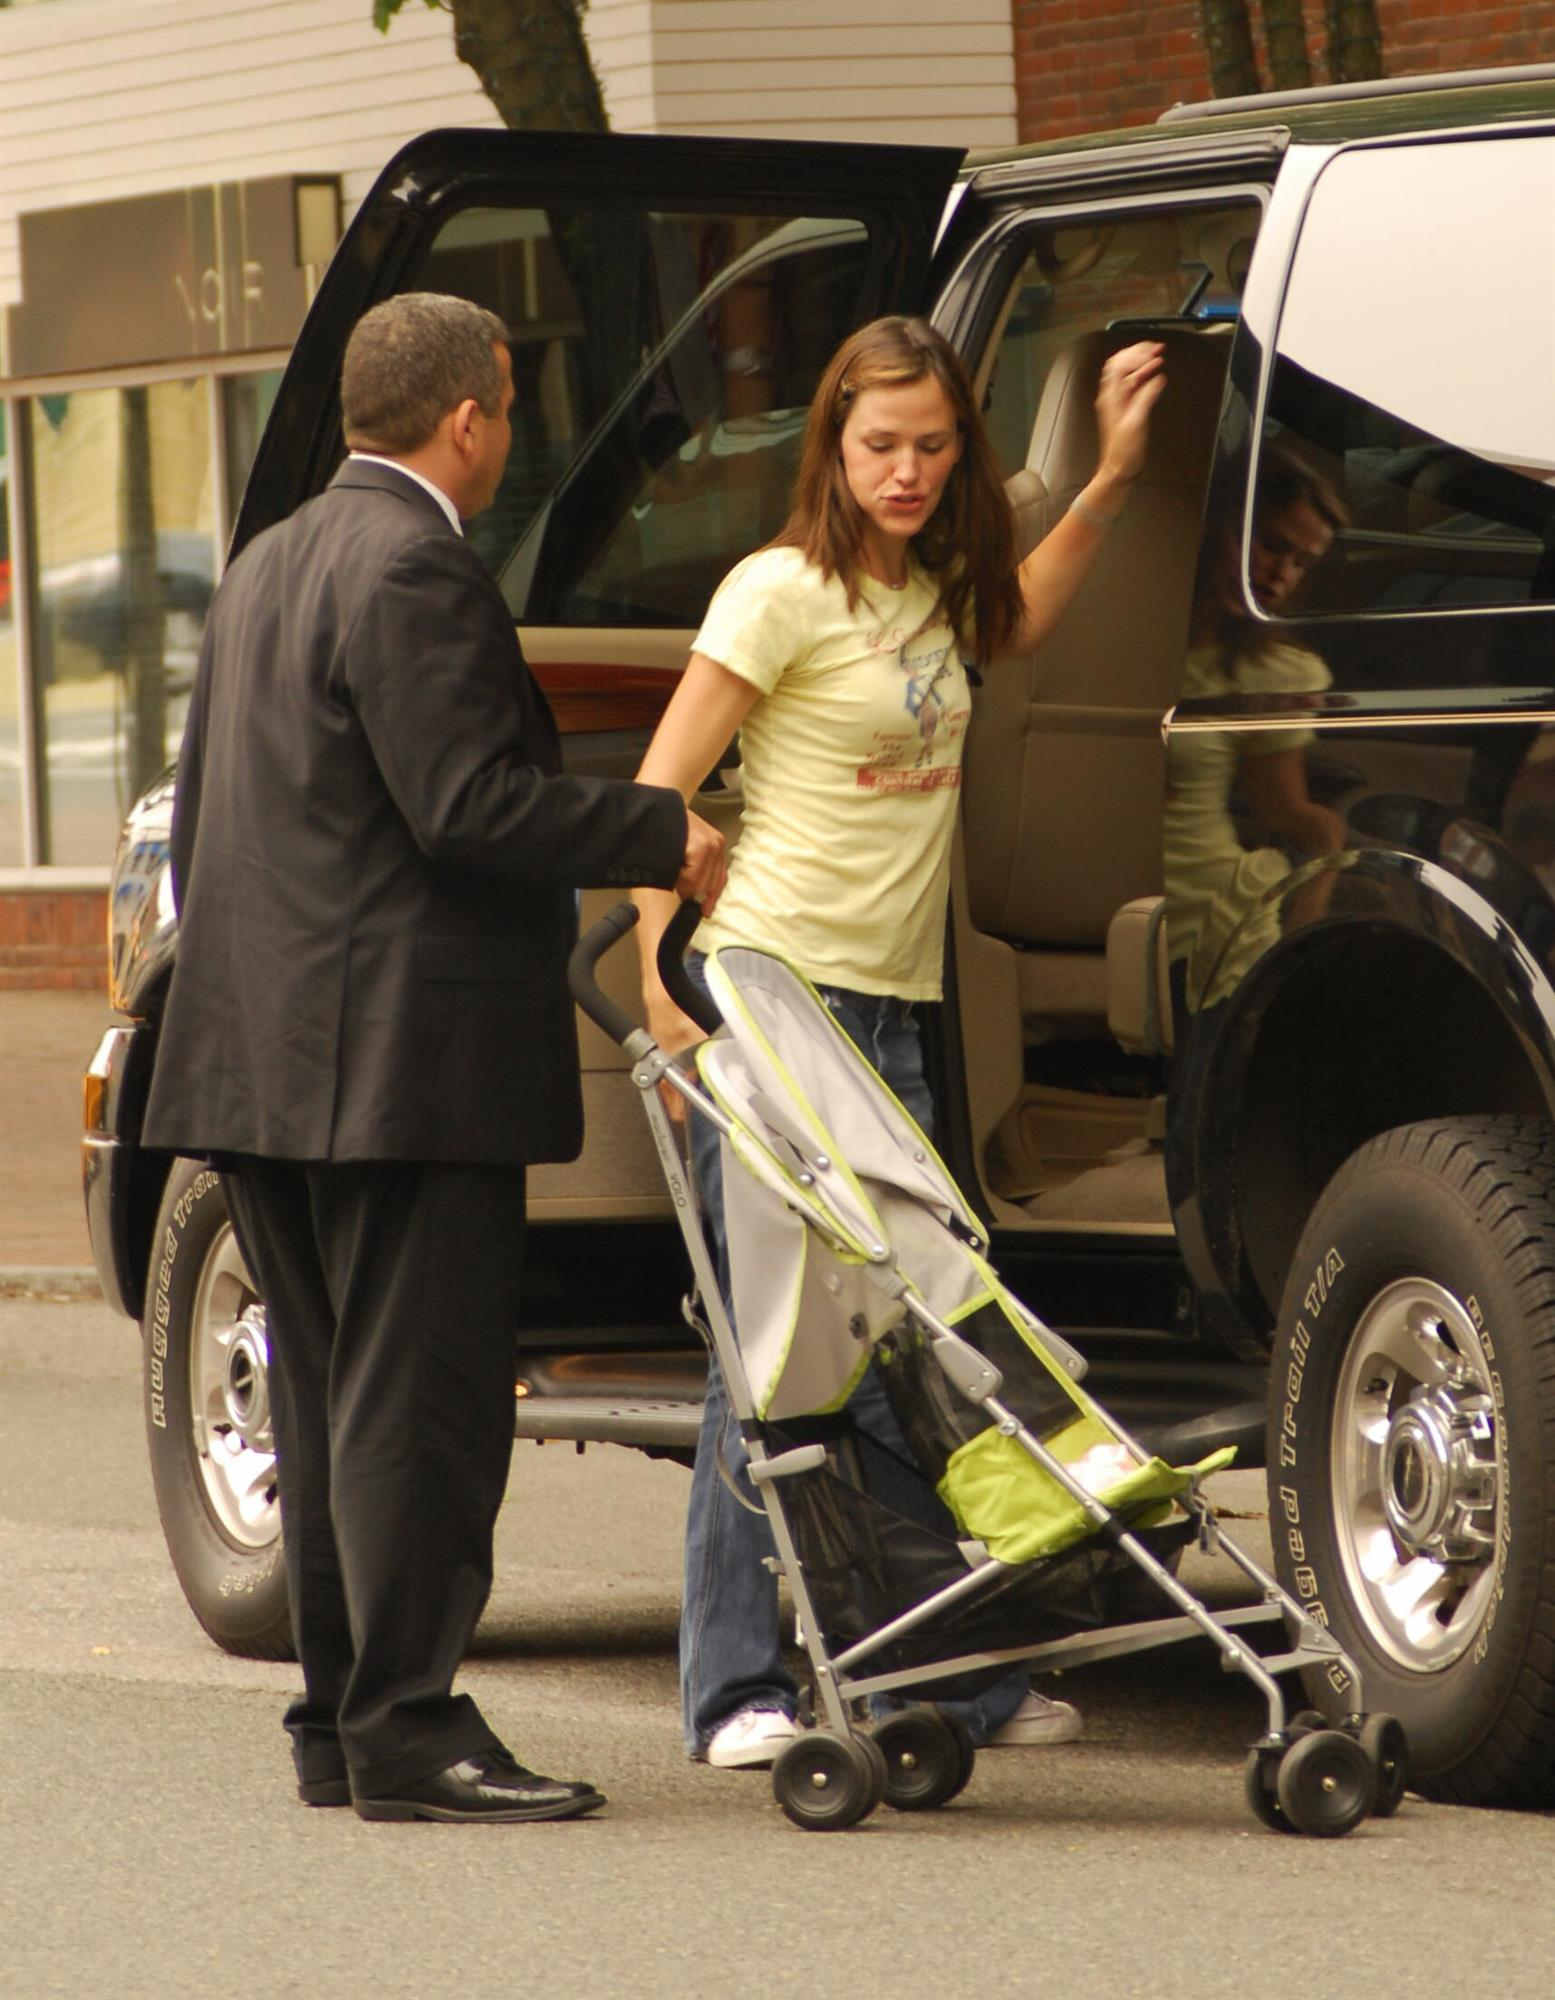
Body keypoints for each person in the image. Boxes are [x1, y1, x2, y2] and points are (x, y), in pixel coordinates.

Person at [142, 292, 726, 1824]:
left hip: (255, 1064)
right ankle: (409, 1728)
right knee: (424, 1410)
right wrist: (661, 830)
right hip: (396, 1071)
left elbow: (207, 819)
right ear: (467, 418)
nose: (510, 433)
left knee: (337, 1400)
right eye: (511, 407)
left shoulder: (268, 560)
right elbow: (466, 805)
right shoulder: (418, 564)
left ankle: (341, 1726)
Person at [631, 314, 1164, 1768]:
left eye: (932, 446)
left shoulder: (937, 588)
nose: (908, 470)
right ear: (832, 443)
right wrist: (667, 995)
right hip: (773, 1002)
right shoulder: (776, 593)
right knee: (774, 1358)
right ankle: (735, 1688)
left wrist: (1111, 472)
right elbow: (655, 797)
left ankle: (951, 1679)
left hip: (892, 1021)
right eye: (880, 445)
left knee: (908, 1347)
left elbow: (1023, 618)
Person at [1165, 451, 1348, 1015]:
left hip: (1206, 916)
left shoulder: (1275, 675)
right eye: (1272, 544)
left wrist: (1300, 949)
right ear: (1222, 522)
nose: (1280, 575)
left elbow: (1291, 815)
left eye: (1302, 562)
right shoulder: (1123, 626)